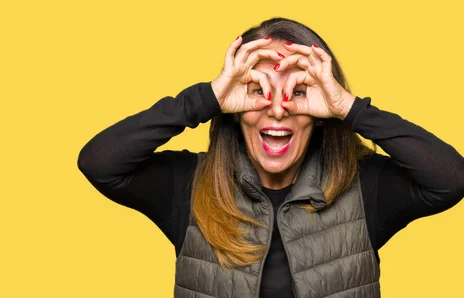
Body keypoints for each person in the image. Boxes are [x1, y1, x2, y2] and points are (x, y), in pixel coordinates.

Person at [77, 17, 464, 298]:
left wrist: (350, 108)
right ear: (233, 106)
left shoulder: (364, 187)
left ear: (321, 109)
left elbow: (450, 178)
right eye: (257, 88)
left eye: (298, 91)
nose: (277, 110)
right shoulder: (189, 186)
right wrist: (206, 99)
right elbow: (100, 162)